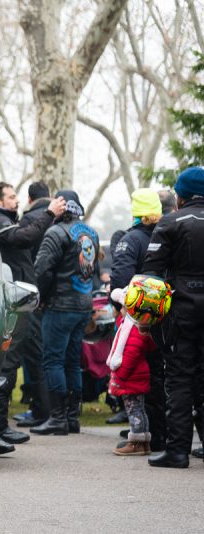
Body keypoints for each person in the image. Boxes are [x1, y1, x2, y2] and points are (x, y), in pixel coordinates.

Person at [0, 182, 66, 453]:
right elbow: (24, 238)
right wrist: (50, 213)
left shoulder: (3, 219)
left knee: (11, 362)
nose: (17, 200)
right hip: (9, 302)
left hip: (18, 299)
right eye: (11, 196)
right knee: (6, 362)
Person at [142, 166, 204, 468]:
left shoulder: (171, 222)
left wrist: (146, 320)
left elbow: (150, 277)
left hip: (180, 313)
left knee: (179, 380)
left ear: (181, 195)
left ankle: (178, 451)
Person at [32, 190, 99, 436]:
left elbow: (41, 270)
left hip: (60, 304)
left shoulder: (55, 232)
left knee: (52, 360)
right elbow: (92, 269)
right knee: (72, 361)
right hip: (83, 304)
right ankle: (72, 418)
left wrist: (41, 297)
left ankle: (57, 418)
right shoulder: (90, 233)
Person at [108, 189, 166, 446]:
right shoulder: (167, 234)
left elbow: (121, 276)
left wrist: (118, 300)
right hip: (167, 314)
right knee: (163, 374)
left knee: (134, 373)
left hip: (138, 319)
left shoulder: (130, 240)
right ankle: (163, 434)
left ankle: (144, 433)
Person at [106, 278, 168, 456]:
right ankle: (144, 442)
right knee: (139, 409)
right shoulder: (136, 327)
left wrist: (119, 377)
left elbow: (130, 357)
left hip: (131, 378)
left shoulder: (132, 330)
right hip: (137, 376)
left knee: (134, 411)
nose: (121, 311)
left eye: (124, 307)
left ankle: (136, 442)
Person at [13, 181, 55, 427]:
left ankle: (41, 411)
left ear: (29, 199)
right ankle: (61, 411)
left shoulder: (28, 221)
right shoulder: (60, 219)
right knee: (55, 357)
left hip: (34, 294)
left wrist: (37, 296)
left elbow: (37, 264)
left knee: (34, 355)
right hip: (60, 297)